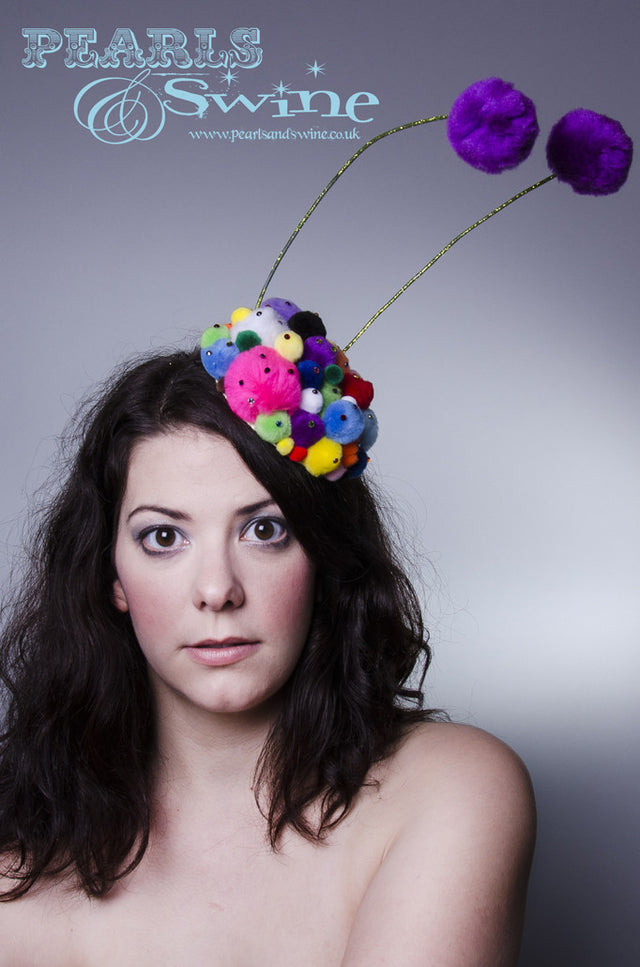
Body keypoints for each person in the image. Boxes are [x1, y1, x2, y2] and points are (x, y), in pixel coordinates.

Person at [0, 346, 535, 966]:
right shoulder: (17, 880)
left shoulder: (448, 789)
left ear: (322, 554)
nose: (217, 590)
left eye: (264, 529)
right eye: (164, 537)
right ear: (111, 577)